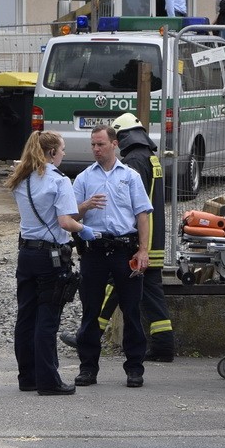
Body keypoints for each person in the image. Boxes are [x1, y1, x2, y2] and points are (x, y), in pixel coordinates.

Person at [5, 131, 96, 396]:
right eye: (62, 150)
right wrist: (85, 230)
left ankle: (28, 377)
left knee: (26, 317)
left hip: (27, 253)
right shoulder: (59, 181)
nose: (64, 154)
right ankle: (48, 381)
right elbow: (65, 221)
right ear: (52, 152)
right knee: (47, 318)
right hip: (50, 256)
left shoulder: (22, 178)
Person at [72, 125, 153, 388]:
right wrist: (85, 206)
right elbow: (70, 216)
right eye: (93, 145)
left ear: (114, 144)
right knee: (90, 311)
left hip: (124, 250)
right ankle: (88, 368)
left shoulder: (130, 177)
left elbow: (142, 215)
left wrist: (143, 250)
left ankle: (134, 368)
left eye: (100, 144)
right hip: (95, 250)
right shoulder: (84, 177)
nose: (96, 149)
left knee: (131, 310)